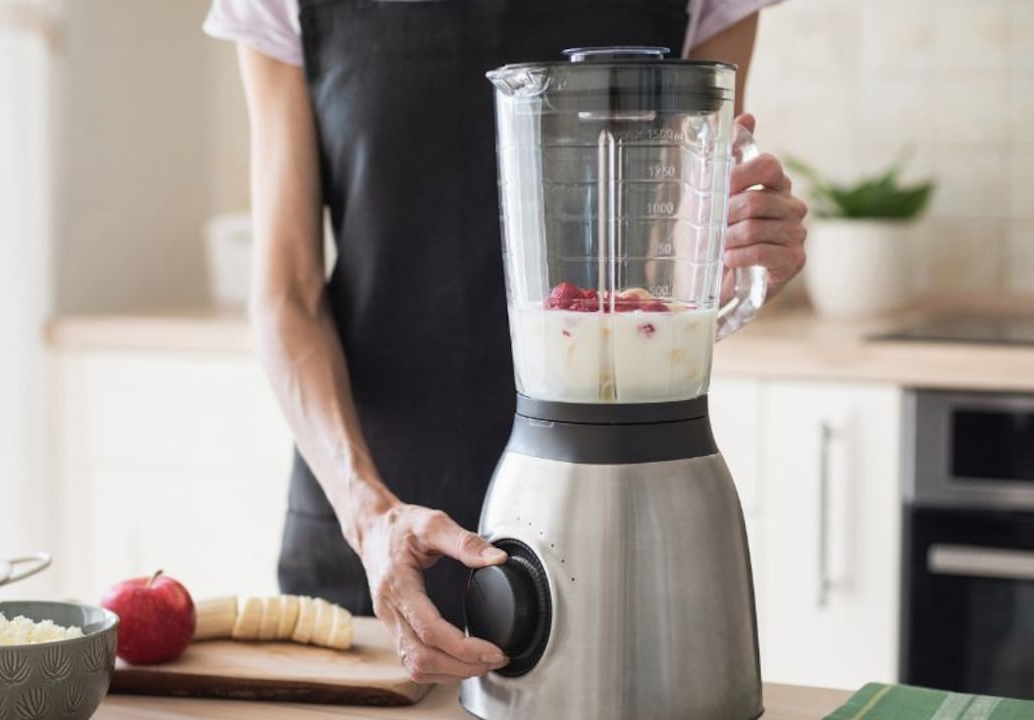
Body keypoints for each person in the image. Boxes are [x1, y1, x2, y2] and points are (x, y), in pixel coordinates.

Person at [204, 0, 808, 682]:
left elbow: (672, 270)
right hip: (371, 521)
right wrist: (368, 514)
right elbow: (286, 292)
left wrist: (737, 266)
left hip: (616, 514)